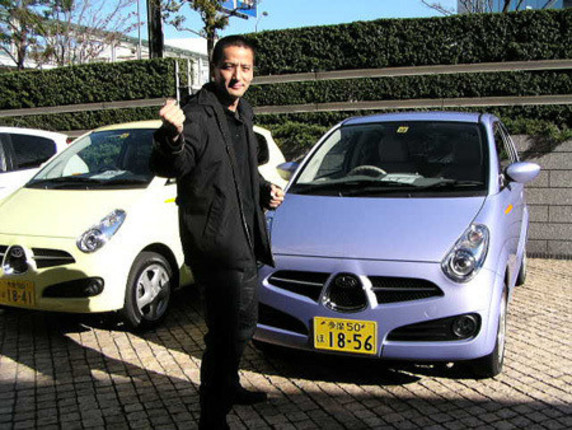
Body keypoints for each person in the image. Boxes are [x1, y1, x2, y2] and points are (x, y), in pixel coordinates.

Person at [150, 35, 285, 429]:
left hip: (245, 238)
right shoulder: (197, 115)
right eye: (228, 66)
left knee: (242, 326)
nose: (236, 75)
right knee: (225, 334)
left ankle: (229, 385)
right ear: (214, 69)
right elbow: (172, 164)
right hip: (215, 246)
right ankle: (212, 416)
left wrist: (263, 190)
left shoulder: (243, 113)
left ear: (253, 72)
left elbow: (240, 171)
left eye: (245, 68)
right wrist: (171, 136)